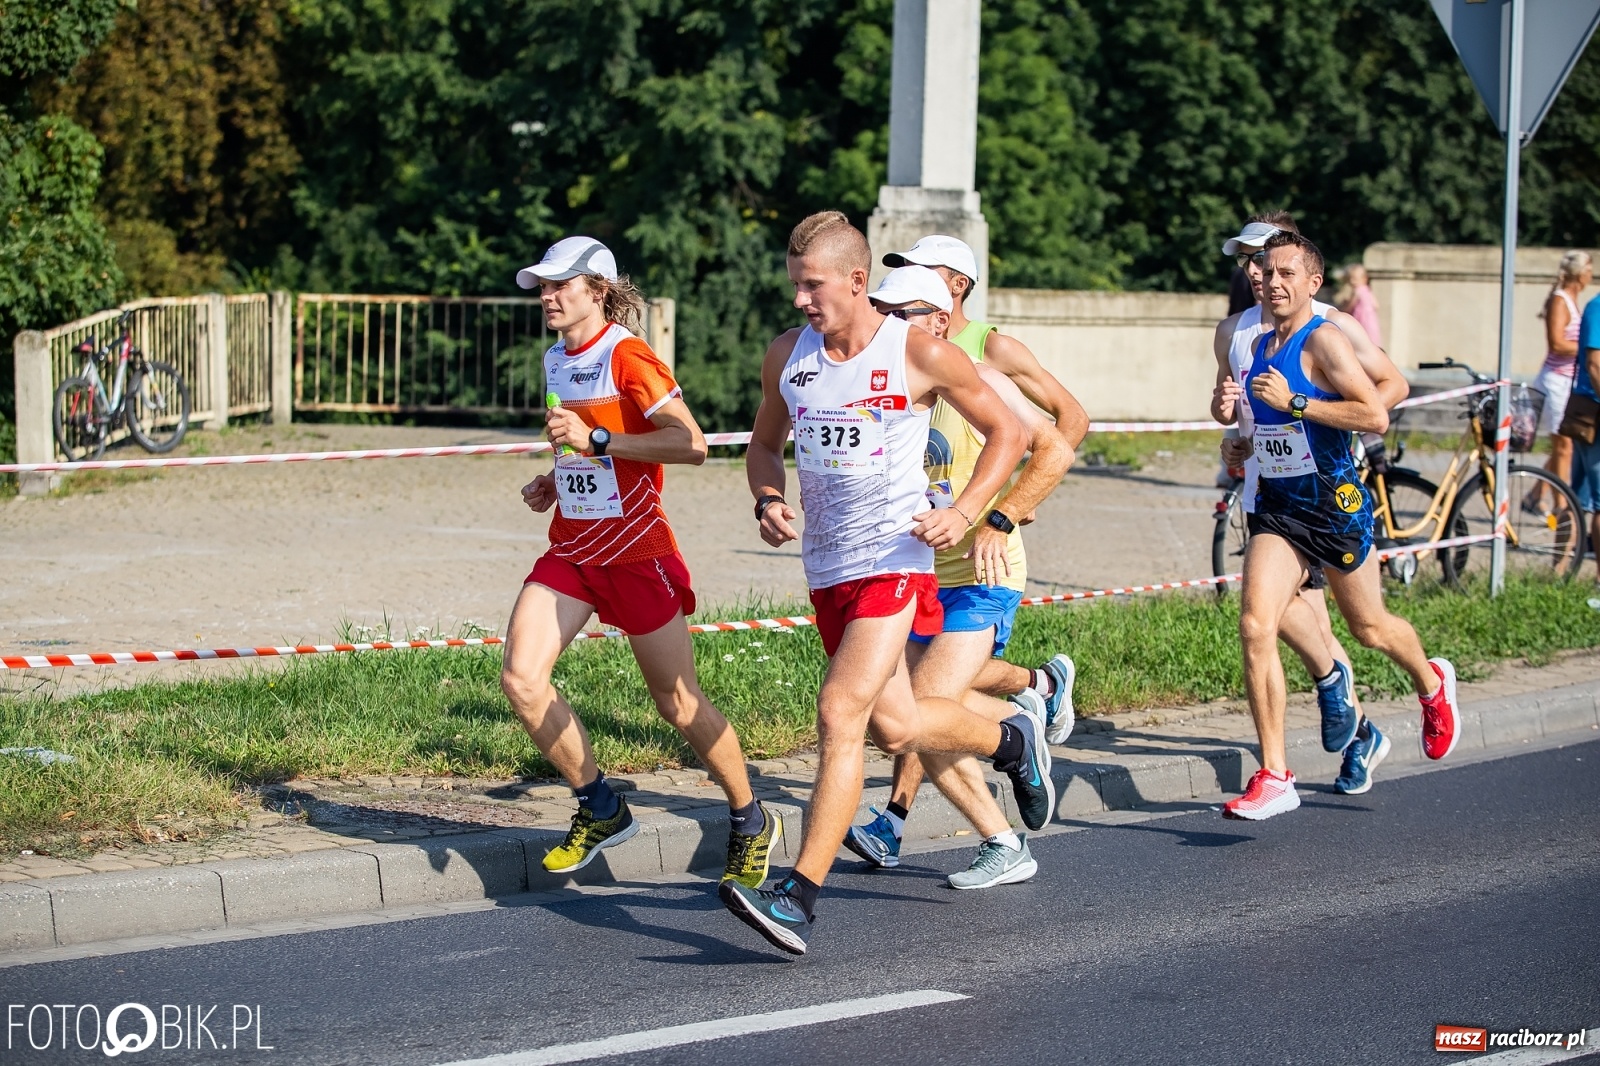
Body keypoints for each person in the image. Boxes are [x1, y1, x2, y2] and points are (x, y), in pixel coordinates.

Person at [725, 212, 1049, 955]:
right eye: (795, 286)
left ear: (857, 280)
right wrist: (769, 498)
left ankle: (798, 893)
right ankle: (1010, 740)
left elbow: (1012, 433)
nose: (803, 301)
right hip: (828, 569)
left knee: (841, 712)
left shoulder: (918, 351)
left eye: (814, 286)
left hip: (895, 564)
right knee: (897, 725)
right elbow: (764, 445)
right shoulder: (789, 356)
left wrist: (967, 511)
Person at [501, 236, 777, 888]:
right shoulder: (554, 358)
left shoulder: (628, 354)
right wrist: (555, 477)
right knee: (521, 678)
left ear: (599, 290)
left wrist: (597, 437)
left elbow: (692, 443)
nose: (547, 296)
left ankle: (750, 816)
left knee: (678, 704)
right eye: (541, 286)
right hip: (573, 547)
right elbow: (582, 449)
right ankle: (599, 805)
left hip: (635, 554)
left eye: (559, 285)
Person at [844, 265, 1074, 889]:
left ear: (941, 320)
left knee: (920, 710)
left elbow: (1055, 450)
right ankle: (1004, 833)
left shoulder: (983, 379)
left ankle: (1016, 737)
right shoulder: (882, 378)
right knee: (910, 716)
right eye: (883, 312)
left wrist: (996, 519)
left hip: (981, 571)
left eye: (906, 314)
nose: (890, 326)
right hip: (914, 575)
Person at [1216, 231, 1459, 820]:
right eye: (1266, 272)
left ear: (1312, 282)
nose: (1272, 282)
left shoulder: (1324, 337)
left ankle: (1431, 682)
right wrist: (1240, 441)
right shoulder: (1250, 341)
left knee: (1369, 626)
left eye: (1285, 274)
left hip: (1335, 504)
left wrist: (1299, 402)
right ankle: (1275, 773)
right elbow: (1259, 426)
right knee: (1255, 623)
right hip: (1277, 505)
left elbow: (1373, 412)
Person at [880, 234, 1090, 742]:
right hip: (921, 558)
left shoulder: (989, 351)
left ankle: (903, 813)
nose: (911, 278)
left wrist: (1018, 500)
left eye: (922, 269)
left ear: (956, 286)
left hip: (981, 552)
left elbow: (1071, 420)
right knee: (924, 689)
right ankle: (1037, 690)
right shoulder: (892, 354)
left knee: (925, 699)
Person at [1529, 251, 1593, 511]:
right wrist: (1588, 348)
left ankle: (1535, 496)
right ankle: (1561, 507)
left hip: (1568, 382)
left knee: (1564, 446)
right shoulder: (1560, 300)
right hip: (1555, 382)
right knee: (1564, 446)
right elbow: (1556, 343)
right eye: (1589, 269)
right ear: (1581, 274)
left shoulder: (1574, 301)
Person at [1566, 289, 1600, 591]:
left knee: (1576, 493)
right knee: (1597, 501)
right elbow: (1594, 363)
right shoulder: (1597, 308)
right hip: (1594, 413)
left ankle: (1560, 565)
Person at [1337, 263, 1383, 348]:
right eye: (1350, 279)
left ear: (1364, 278)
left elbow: (1351, 305)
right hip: (1371, 320)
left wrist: (1343, 309)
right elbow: (1376, 305)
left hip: (1360, 319)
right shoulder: (1368, 290)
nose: (1352, 282)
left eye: (1354, 279)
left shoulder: (1357, 291)